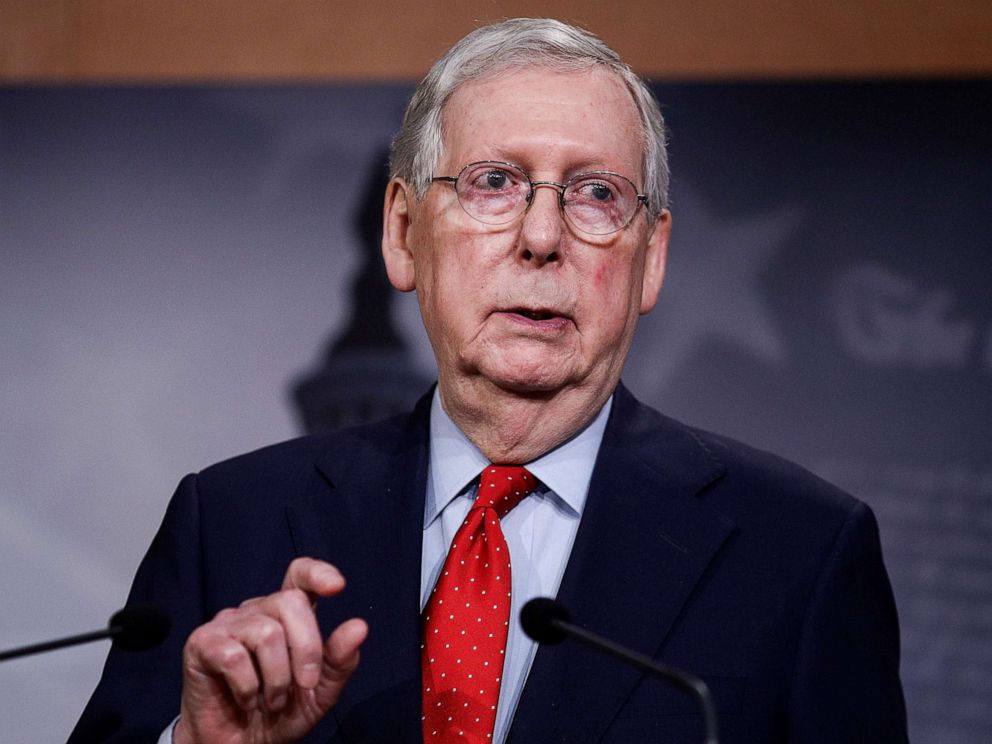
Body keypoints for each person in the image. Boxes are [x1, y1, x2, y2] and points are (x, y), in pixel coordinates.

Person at [71, 18, 908, 744]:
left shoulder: (799, 553)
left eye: (595, 194)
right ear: (403, 234)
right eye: (494, 183)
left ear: (650, 259)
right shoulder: (231, 523)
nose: (542, 237)